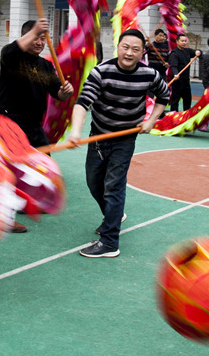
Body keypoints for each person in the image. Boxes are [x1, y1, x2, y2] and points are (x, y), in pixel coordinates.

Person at [68, 28, 170, 258]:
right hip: (99, 135)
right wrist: (75, 131)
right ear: (118, 47)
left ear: (142, 52)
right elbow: (83, 103)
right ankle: (113, 214)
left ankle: (109, 242)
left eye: (135, 49)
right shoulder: (101, 72)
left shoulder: (149, 74)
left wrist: (152, 120)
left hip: (125, 138)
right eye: (125, 47)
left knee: (113, 185)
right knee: (94, 182)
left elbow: (164, 96)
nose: (129, 53)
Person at [0, 18, 74, 147]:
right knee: (15, 165)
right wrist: (35, 31)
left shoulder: (46, 65)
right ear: (25, 37)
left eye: (43, 39)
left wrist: (65, 92)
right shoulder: (12, 57)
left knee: (44, 163)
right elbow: (9, 52)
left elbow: (57, 92)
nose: (39, 43)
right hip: (10, 124)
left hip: (34, 126)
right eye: (35, 38)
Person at [167, 34, 199, 112]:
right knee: (175, 100)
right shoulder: (174, 53)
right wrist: (175, 74)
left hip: (186, 80)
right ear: (177, 42)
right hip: (177, 80)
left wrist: (198, 52)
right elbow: (173, 66)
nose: (184, 42)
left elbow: (197, 52)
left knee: (187, 99)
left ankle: (186, 116)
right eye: (182, 41)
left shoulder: (187, 51)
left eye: (185, 41)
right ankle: (173, 118)